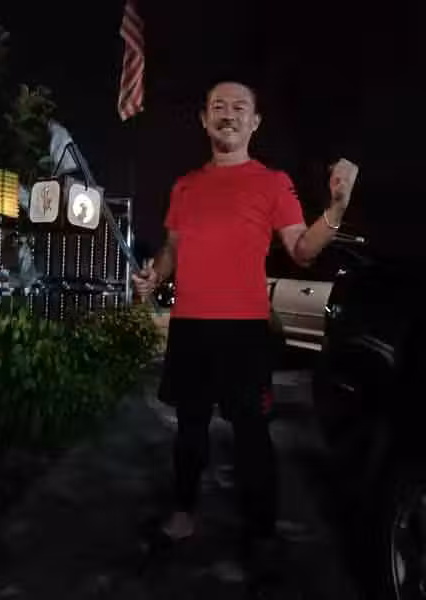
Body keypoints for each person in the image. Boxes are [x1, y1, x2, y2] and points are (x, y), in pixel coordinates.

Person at [132, 79, 358, 582]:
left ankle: (261, 530)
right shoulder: (184, 186)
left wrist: (336, 210)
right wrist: (155, 275)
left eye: (239, 107)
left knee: (253, 433)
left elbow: (302, 250)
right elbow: (172, 249)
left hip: (245, 332)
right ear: (204, 119)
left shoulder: (273, 183)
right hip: (190, 327)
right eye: (218, 106)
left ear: (255, 122)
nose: (228, 114)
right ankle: (183, 514)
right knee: (189, 430)